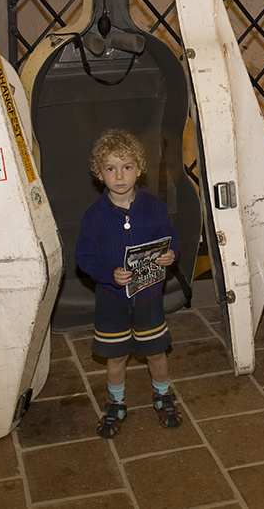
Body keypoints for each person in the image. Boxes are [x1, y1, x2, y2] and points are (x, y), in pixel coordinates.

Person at [75, 128, 181, 438]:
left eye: (127, 167)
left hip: (148, 295)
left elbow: (169, 235)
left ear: (139, 169)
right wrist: (109, 273)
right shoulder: (94, 216)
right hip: (113, 298)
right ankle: (116, 402)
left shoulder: (154, 207)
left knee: (156, 351)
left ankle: (162, 394)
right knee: (116, 354)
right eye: (110, 168)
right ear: (99, 174)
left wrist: (171, 252)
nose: (119, 176)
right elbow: (84, 256)